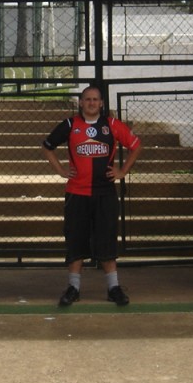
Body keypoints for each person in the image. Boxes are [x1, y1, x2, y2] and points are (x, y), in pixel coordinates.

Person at [41, 84, 142, 307]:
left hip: (105, 194)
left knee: (106, 239)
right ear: (80, 103)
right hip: (77, 193)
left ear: (102, 103)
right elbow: (47, 146)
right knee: (76, 240)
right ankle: (74, 288)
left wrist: (122, 172)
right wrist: (61, 171)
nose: (92, 103)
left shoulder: (112, 125)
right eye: (87, 99)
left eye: (96, 99)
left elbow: (136, 145)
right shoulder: (70, 125)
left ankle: (113, 287)